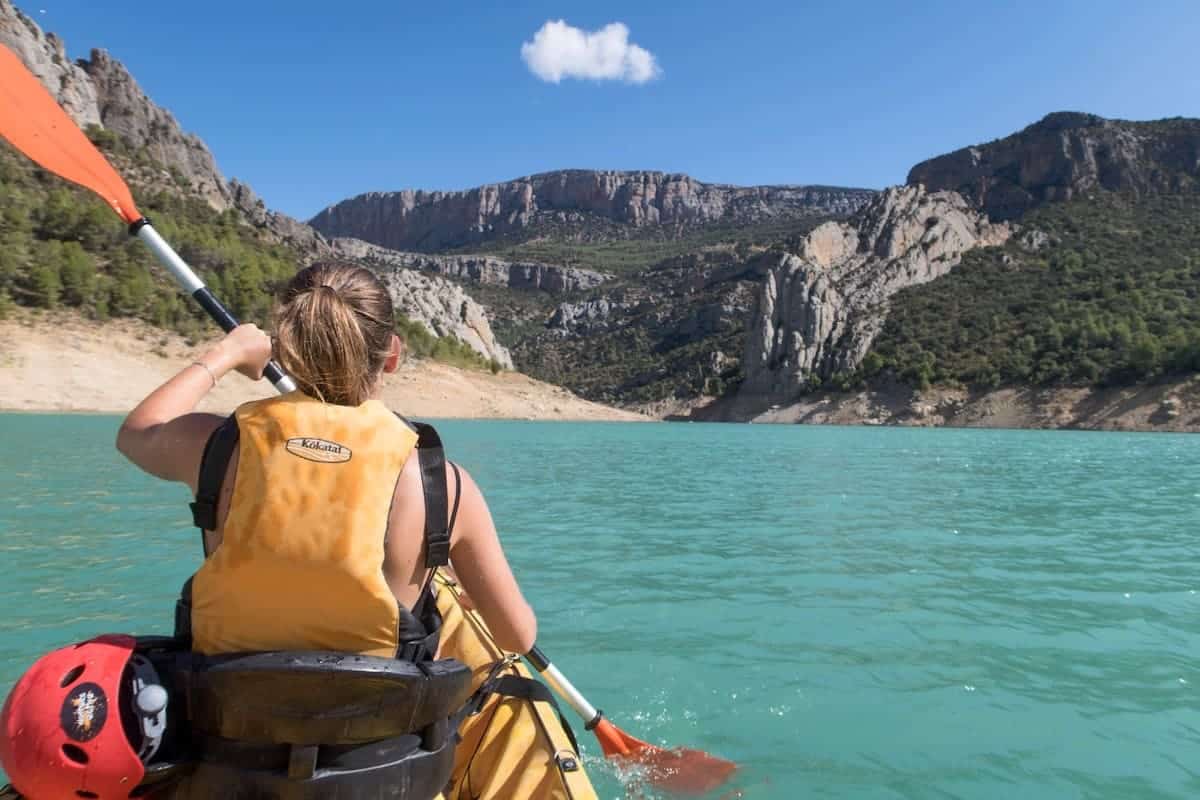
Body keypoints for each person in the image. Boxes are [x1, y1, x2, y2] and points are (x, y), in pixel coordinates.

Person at [115, 261, 536, 659]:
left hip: (223, 724)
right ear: (392, 355)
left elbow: (136, 434)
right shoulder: (439, 482)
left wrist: (225, 355)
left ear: (285, 349)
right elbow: (515, 637)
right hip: (376, 732)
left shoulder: (220, 444)